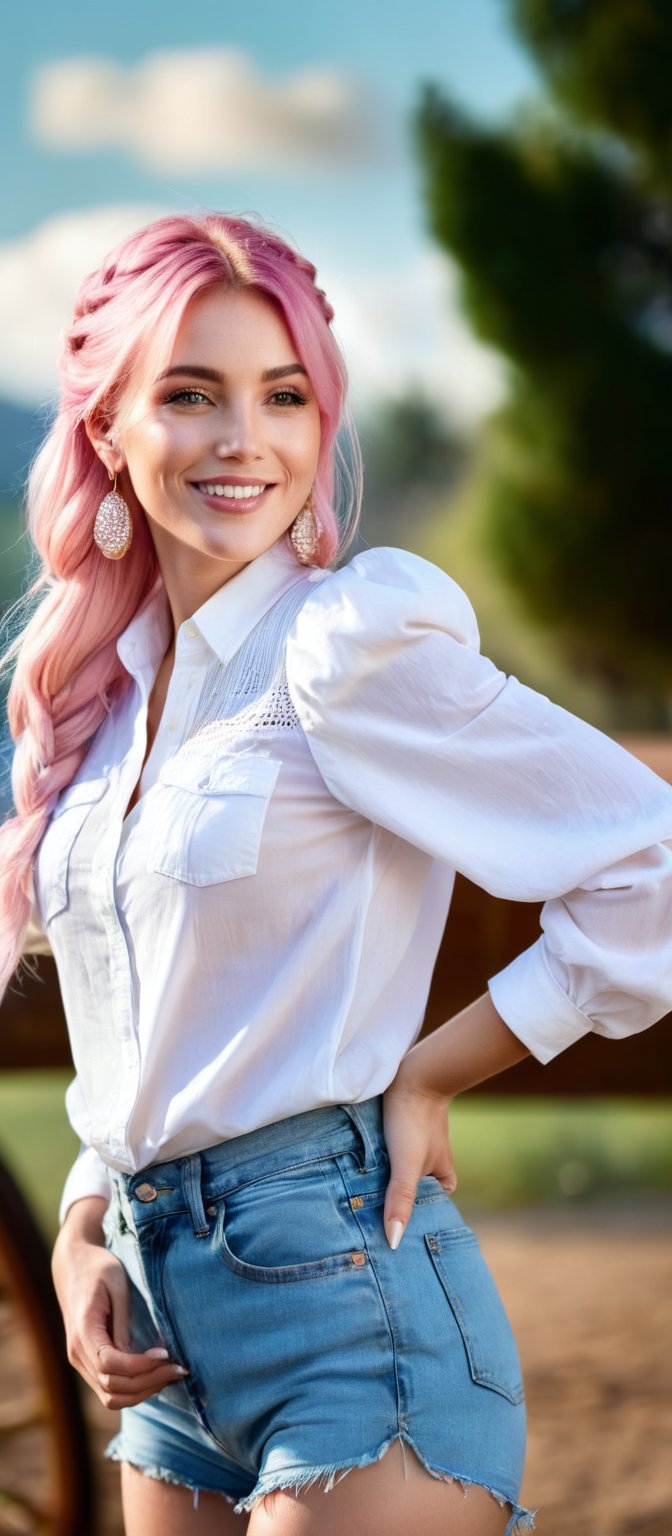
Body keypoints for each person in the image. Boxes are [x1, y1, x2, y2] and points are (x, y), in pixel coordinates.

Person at [1, 211, 671, 1536]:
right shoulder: (104, 711)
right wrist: (84, 1224)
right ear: (106, 436)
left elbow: (647, 867)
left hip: (354, 1306)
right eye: (191, 396)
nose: (246, 439)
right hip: (160, 1338)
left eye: (285, 396)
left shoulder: (349, 649)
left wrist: (432, 1069)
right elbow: (143, 1027)